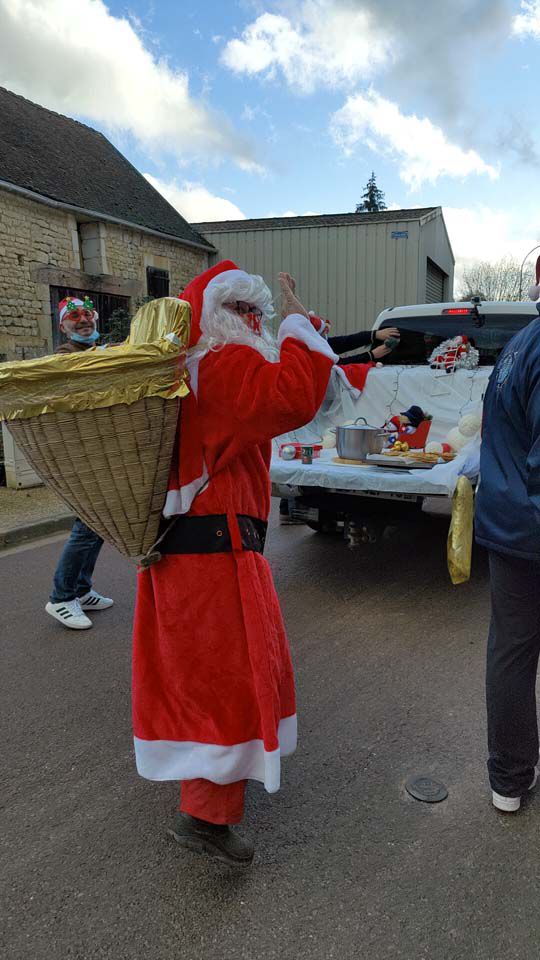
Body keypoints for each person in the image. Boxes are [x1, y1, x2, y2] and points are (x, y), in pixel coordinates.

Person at [132, 261, 337, 867]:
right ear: (220, 318)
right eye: (246, 313)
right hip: (215, 563)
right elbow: (293, 394)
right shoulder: (223, 367)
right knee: (227, 684)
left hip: (185, 558)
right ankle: (204, 819)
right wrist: (298, 323)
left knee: (196, 682)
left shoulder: (192, 371)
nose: (256, 322)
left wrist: (303, 325)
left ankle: (201, 792)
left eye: (260, 313)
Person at [475, 299, 540, 812]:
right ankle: (511, 775)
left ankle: (509, 780)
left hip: (507, 521)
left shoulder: (518, 344)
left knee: (512, 650)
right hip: (530, 523)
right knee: (514, 651)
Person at [45, 296, 113, 631]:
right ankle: (60, 598)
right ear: (62, 326)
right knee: (87, 527)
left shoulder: (95, 352)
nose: (84, 320)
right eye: (74, 316)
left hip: (99, 451)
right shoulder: (65, 357)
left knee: (97, 526)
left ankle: (81, 590)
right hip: (80, 454)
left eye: (88, 314)